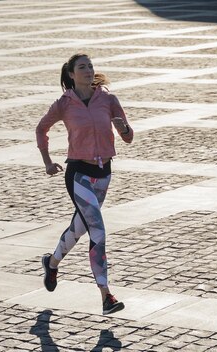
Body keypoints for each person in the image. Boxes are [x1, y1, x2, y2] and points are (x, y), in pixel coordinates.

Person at [35, 53, 133, 315]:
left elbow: (128, 138)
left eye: (90, 66)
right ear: (71, 74)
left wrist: (123, 129)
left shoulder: (108, 99)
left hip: (104, 174)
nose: (89, 70)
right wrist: (47, 161)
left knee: (79, 228)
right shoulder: (64, 104)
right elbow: (41, 129)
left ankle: (52, 263)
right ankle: (106, 296)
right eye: (82, 67)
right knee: (97, 231)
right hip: (78, 173)